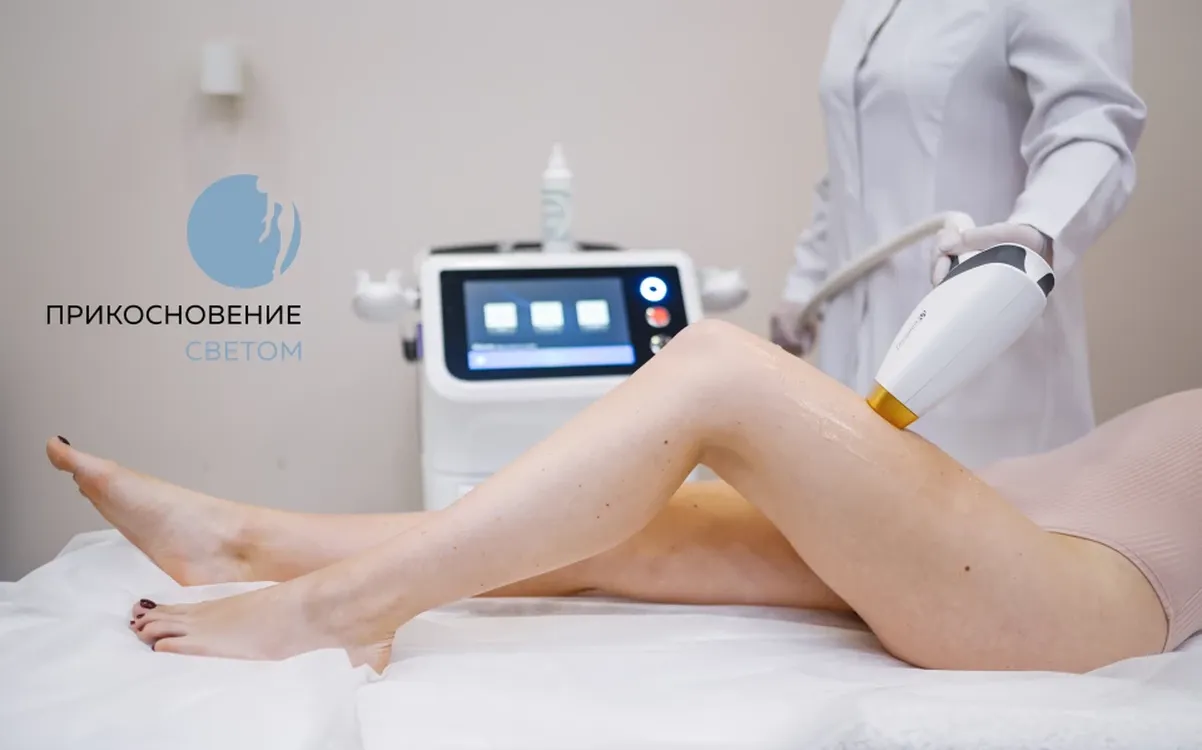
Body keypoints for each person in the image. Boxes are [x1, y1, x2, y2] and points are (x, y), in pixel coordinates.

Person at [46, 320, 1200, 675]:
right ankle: (244, 542)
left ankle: (341, 605)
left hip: (1079, 594)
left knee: (714, 370)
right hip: (1018, 521)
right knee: (643, 522)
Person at [770, 0, 1147, 469]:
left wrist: (1040, 228)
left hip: (980, 347)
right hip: (851, 360)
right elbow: (851, 169)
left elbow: (1091, 125)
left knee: (976, 503)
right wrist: (804, 286)